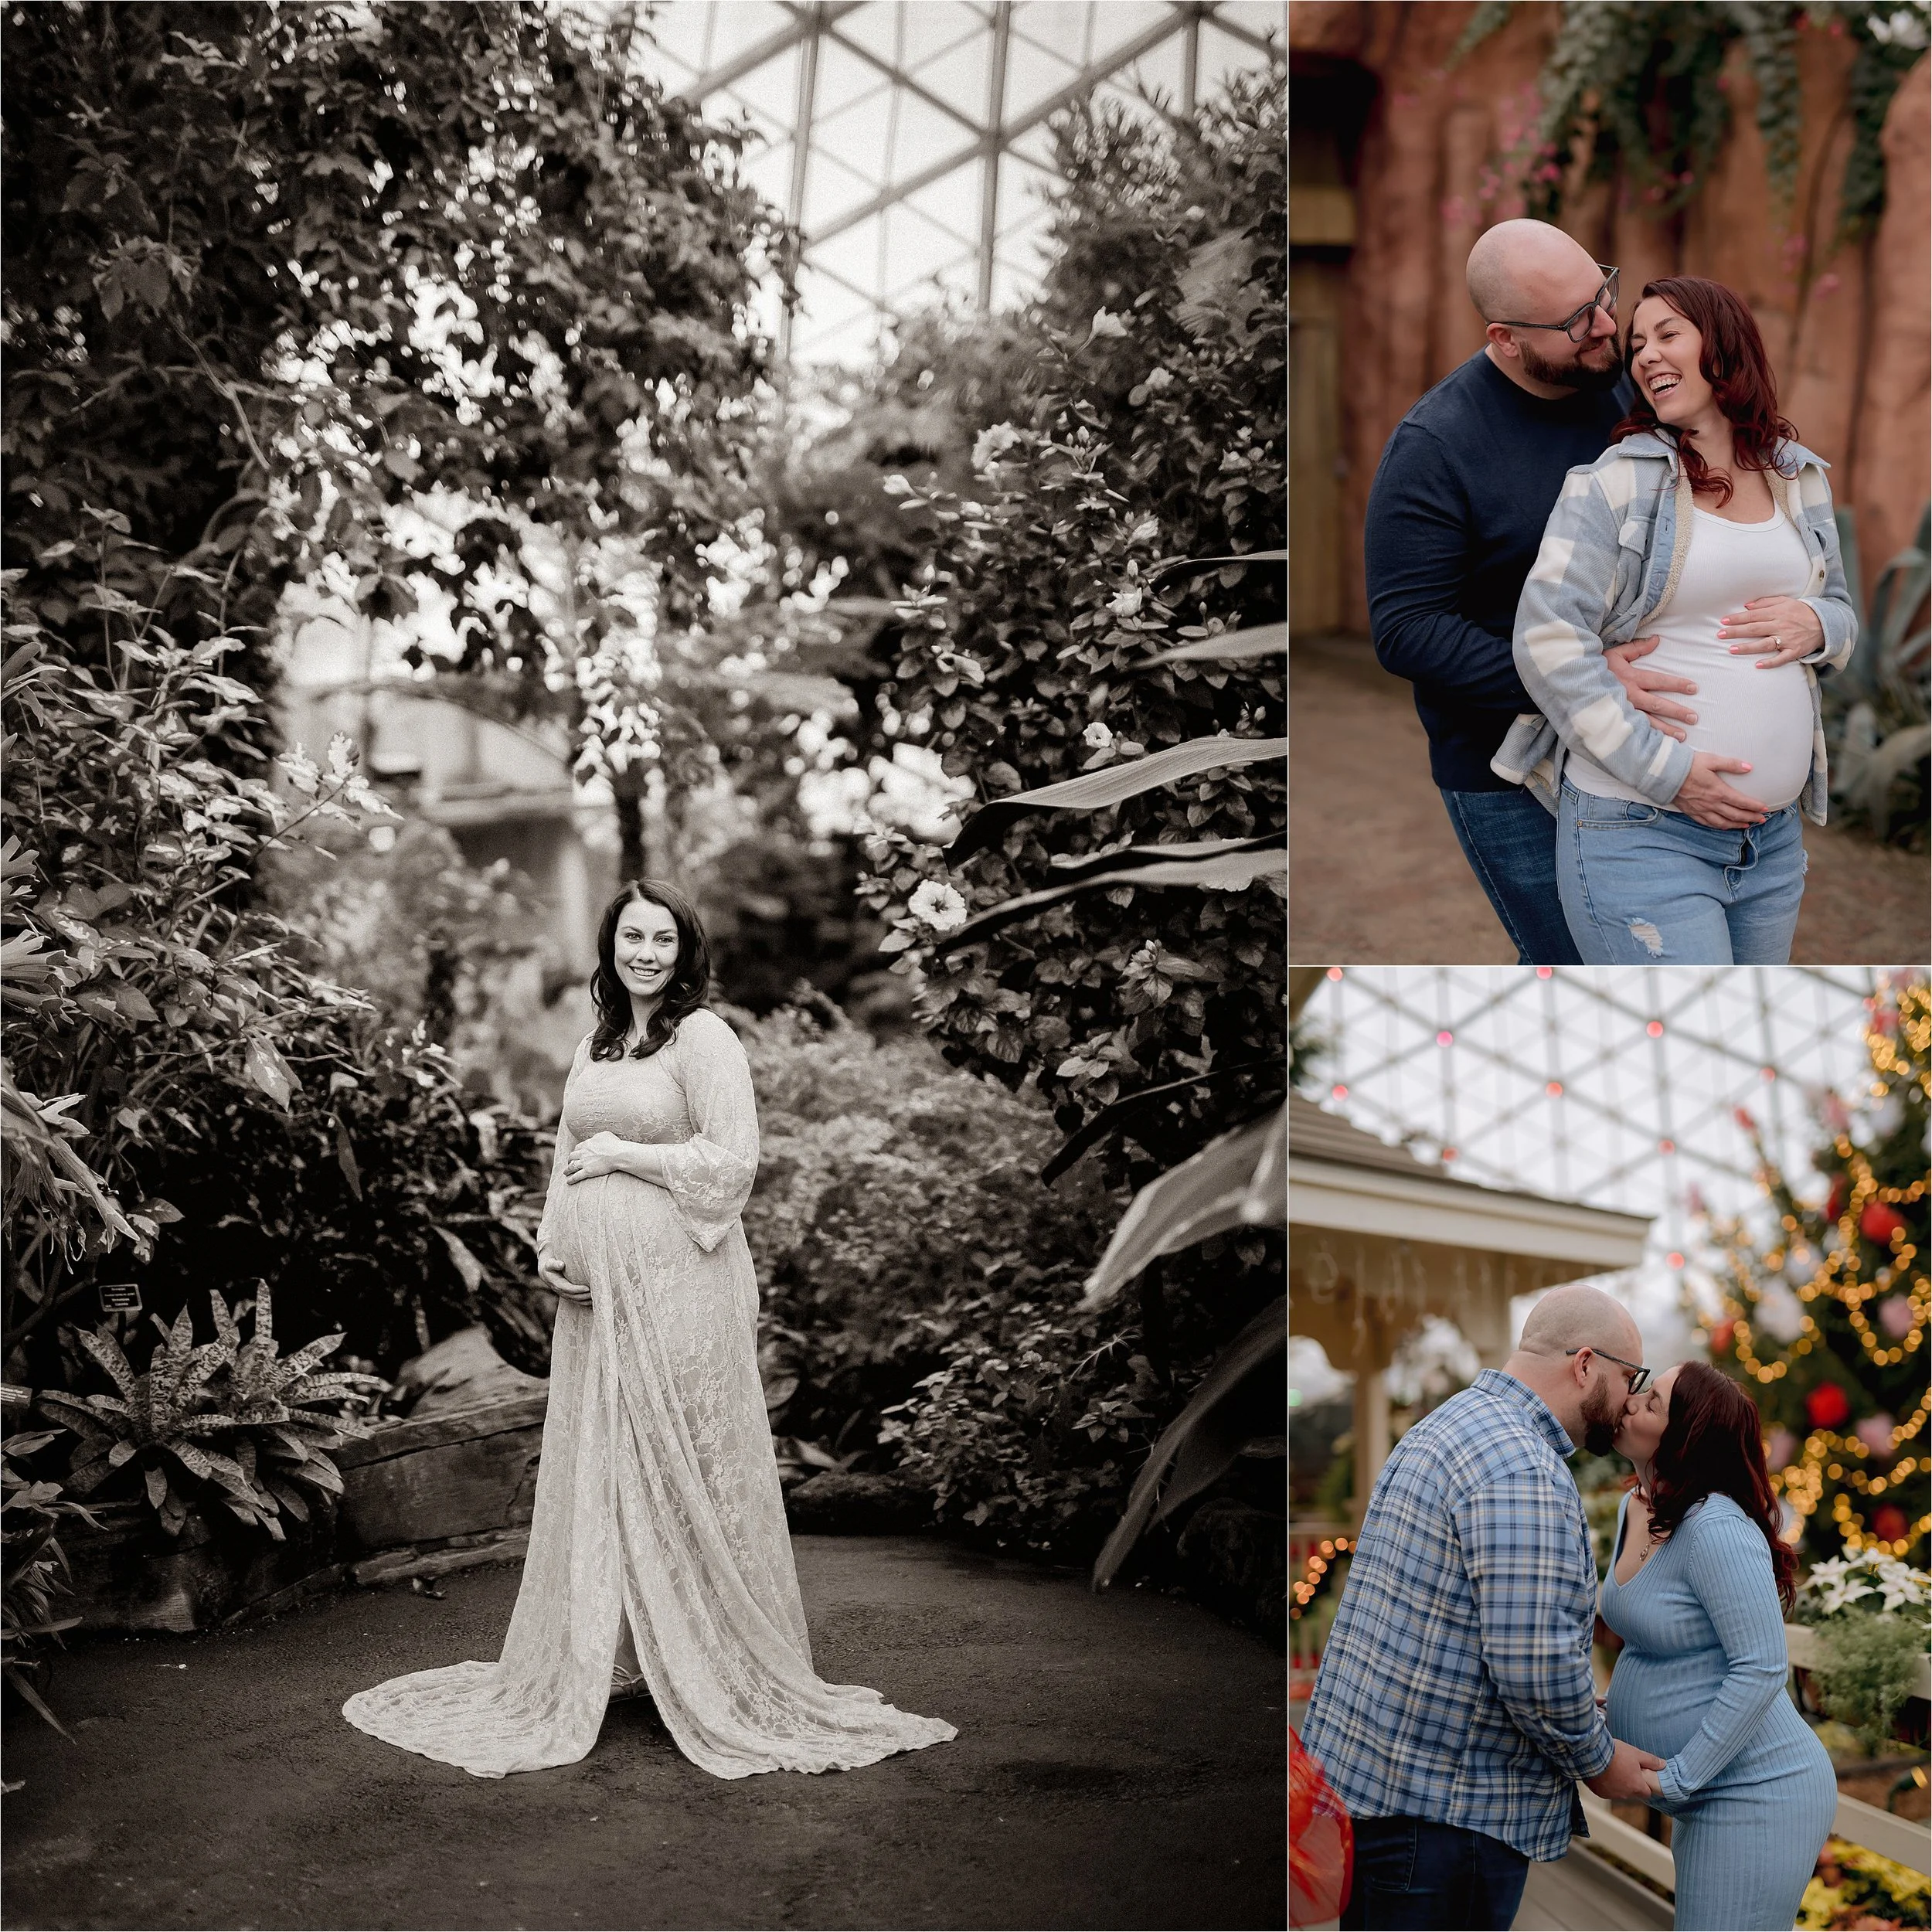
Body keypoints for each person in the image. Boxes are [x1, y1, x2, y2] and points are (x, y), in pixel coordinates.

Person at [343, 882, 957, 1779]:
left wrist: (627, 1155)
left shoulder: (702, 1037)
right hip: (599, 1300)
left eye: (662, 938)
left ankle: (714, 1662)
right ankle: (622, 1653)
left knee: (681, 1460)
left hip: (683, 1287)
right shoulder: (597, 1041)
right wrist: (555, 1247)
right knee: (607, 1459)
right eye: (631, 935)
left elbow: (733, 1156)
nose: (645, 951)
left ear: (683, 950)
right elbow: (564, 1149)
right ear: (611, 943)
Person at [1494, 276, 1858, 963]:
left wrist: (1819, 625)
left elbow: (1839, 610)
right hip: (1640, 831)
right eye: (1637, 345)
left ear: (1723, 346)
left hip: (1772, 843)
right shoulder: (1614, 483)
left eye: (1668, 336)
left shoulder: (1797, 476)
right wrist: (1671, 773)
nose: (1647, 356)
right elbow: (1546, 641)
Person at [1364, 219, 1693, 965]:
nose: (1608, 325)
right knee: (1575, 959)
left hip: (1640, 736)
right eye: (1576, 320)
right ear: (1505, 338)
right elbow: (1407, 629)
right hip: (1505, 771)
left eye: (1602, 292)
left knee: (1656, 954)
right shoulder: (1434, 448)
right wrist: (1578, 681)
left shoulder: (1623, 381)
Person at [1298, 1284, 1667, 1930]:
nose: (1632, 1398)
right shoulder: (1521, 1466)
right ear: (1585, 1365)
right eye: (1628, 1376)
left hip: (1385, 1799)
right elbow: (1533, 1666)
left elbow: (1456, 1628)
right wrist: (1600, 1764)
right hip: (1444, 1822)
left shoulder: (1448, 1425)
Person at [1602, 1362, 1837, 1930]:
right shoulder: (1635, 1507)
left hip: (1758, 1792)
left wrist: (1679, 1775)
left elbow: (1760, 1666)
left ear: (1683, 1439)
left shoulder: (1716, 1527)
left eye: (1651, 1403)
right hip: (1708, 1794)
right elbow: (1673, 1645)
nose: (1630, 1404)